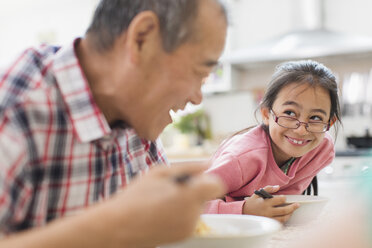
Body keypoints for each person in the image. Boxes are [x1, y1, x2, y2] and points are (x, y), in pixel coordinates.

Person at [0, 0, 228, 247]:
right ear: (142, 38)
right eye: (199, 72)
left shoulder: (136, 111)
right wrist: (114, 227)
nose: (196, 97)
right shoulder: (15, 110)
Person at [204, 60, 342, 223]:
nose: (301, 130)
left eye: (315, 118)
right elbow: (187, 204)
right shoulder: (241, 158)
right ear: (265, 114)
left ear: (329, 122)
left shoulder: (322, 150)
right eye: (289, 113)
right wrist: (244, 210)